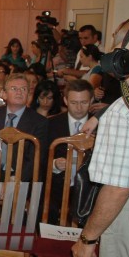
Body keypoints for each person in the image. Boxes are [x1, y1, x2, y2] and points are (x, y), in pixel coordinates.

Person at [71, 22, 129, 257]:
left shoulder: (126, 113)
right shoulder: (122, 107)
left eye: (118, 44)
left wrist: (87, 239)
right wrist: (102, 114)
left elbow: (117, 188)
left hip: (128, 213)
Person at [0, 73, 48, 257]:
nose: (20, 92)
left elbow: (36, 159)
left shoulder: (39, 122)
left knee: (26, 197)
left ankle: (18, 255)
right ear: (3, 93)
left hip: (21, 176)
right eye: (14, 88)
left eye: (24, 89)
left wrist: (15, 179)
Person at [46, 79, 93, 225]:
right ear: (65, 100)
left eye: (84, 102)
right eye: (74, 103)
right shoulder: (51, 124)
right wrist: (54, 164)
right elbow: (40, 157)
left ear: (91, 100)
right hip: (57, 185)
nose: (79, 107)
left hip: (89, 188)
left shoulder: (101, 126)